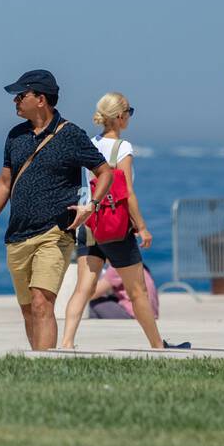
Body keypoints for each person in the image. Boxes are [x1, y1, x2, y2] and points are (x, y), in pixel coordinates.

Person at [0, 70, 114, 352]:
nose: (15, 101)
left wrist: (91, 206)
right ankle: (39, 365)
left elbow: (104, 172)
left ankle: (45, 364)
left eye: (21, 95)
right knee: (28, 310)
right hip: (17, 235)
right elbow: (3, 183)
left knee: (42, 302)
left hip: (55, 232)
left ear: (41, 99)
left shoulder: (71, 135)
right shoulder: (16, 135)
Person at [59, 93, 188, 349]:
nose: (130, 116)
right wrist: (142, 227)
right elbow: (126, 193)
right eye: (129, 111)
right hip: (114, 226)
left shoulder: (90, 144)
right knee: (137, 291)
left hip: (89, 221)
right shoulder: (122, 148)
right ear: (120, 117)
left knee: (84, 287)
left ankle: (66, 342)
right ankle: (157, 345)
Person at [88, 263, 160, 321]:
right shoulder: (138, 265)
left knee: (93, 303)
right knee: (111, 298)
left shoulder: (118, 267)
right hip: (151, 315)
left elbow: (91, 294)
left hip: (133, 316)